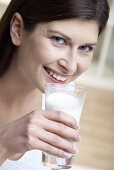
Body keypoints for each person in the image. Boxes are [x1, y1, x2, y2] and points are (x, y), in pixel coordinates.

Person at [0, 0, 109, 169]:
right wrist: (4, 145)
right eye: (58, 39)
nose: (71, 66)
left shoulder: (64, 100)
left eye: (85, 48)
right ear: (18, 29)